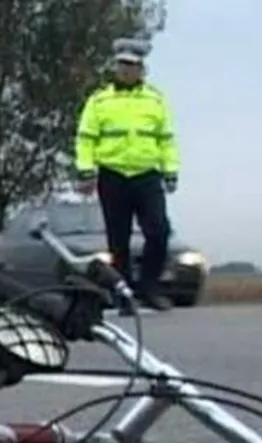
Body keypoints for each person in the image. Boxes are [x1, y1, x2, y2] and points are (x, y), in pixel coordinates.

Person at [74, 41, 180, 312]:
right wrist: (85, 170)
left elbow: (166, 139)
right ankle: (124, 295)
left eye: (131, 66)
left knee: (158, 231)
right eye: (122, 65)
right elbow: (86, 138)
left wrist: (171, 170)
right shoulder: (100, 100)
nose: (126, 71)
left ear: (141, 69)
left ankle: (149, 287)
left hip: (147, 174)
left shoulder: (155, 100)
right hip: (113, 175)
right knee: (117, 239)